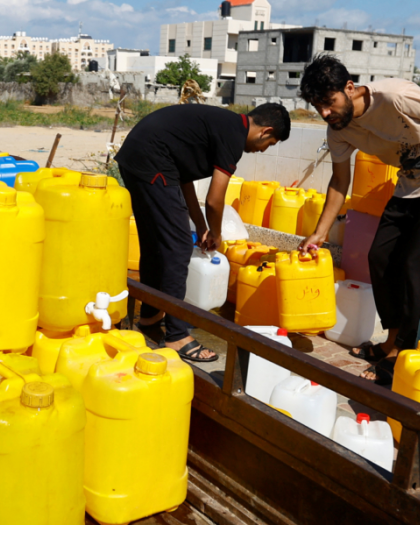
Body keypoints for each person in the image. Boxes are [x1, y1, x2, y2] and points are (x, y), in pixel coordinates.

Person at [297, 55, 420, 384]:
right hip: (410, 185)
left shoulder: (394, 96)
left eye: (328, 102)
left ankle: (402, 356)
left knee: (416, 269)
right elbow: (339, 181)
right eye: (316, 105)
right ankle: (393, 340)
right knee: (380, 256)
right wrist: (319, 233)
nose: (324, 112)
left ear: (349, 89)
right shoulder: (339, 129)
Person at [116, 103, 291, 362]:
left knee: (156, 243)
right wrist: (217, 234)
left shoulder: (223, 125)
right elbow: (214, 199)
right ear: (265, 131)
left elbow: (183, 179)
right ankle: (176, 336)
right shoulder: (233, 136)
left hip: (138, 156)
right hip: (152, 159)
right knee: (178, 247)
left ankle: (151, 314)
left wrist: (200, 225)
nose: (263, 150)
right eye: (270, 143)